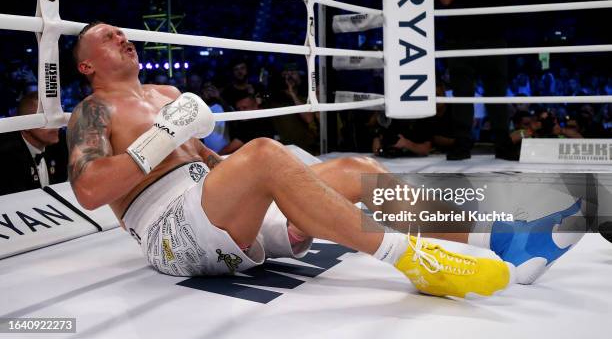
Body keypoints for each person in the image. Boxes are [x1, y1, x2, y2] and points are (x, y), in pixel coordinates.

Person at [67, 22, 583, 299]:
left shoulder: (167, 92)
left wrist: (279, 196)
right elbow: (89, 190)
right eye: (107, 37)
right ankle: (412, 260)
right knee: (265, 153)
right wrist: (164, 135)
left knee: (354, 170)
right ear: (87, 63)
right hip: (167, 232)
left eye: (123, 32)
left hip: (213, 208)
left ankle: (496, 241)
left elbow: (210, 164)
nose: (122, 37)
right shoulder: (93, 111)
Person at [436, 0, 520, 160]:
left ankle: (502, 143)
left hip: (493, 38)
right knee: (463, 94)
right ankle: (462, 143)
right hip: (459, 38)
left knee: (496, 93)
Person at [0, 91, 68, 195]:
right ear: (26, 124)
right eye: (46, 118)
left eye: (55, 116)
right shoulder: (6, 156)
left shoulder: (61, 142)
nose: (56, 124)